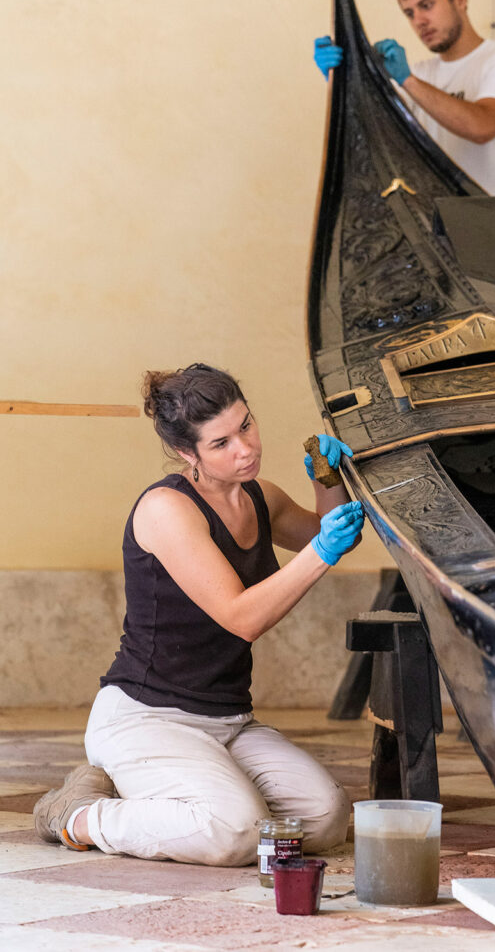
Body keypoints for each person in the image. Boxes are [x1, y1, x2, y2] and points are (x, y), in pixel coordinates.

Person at [33, 362, 365, 866]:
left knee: (323, 817)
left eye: (246, 425)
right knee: (232, 831)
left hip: (228, 717)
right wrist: (322, 550)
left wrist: (329, 476)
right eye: (221, 443)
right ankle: (77, 813)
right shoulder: (168, 509)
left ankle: (182, 787)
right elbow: (241, 616)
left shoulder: (261, 495)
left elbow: (331, 531)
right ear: (187, 453)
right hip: (146, 715)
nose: (246, 448)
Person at [314, 0, 495, 198]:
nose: (419, 21)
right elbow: (371, 140)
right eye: (409, 13)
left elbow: (482, 127)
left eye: (427, 5)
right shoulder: (420, 73)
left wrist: (407, 80)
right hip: (443, 228)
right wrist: (342, 82)